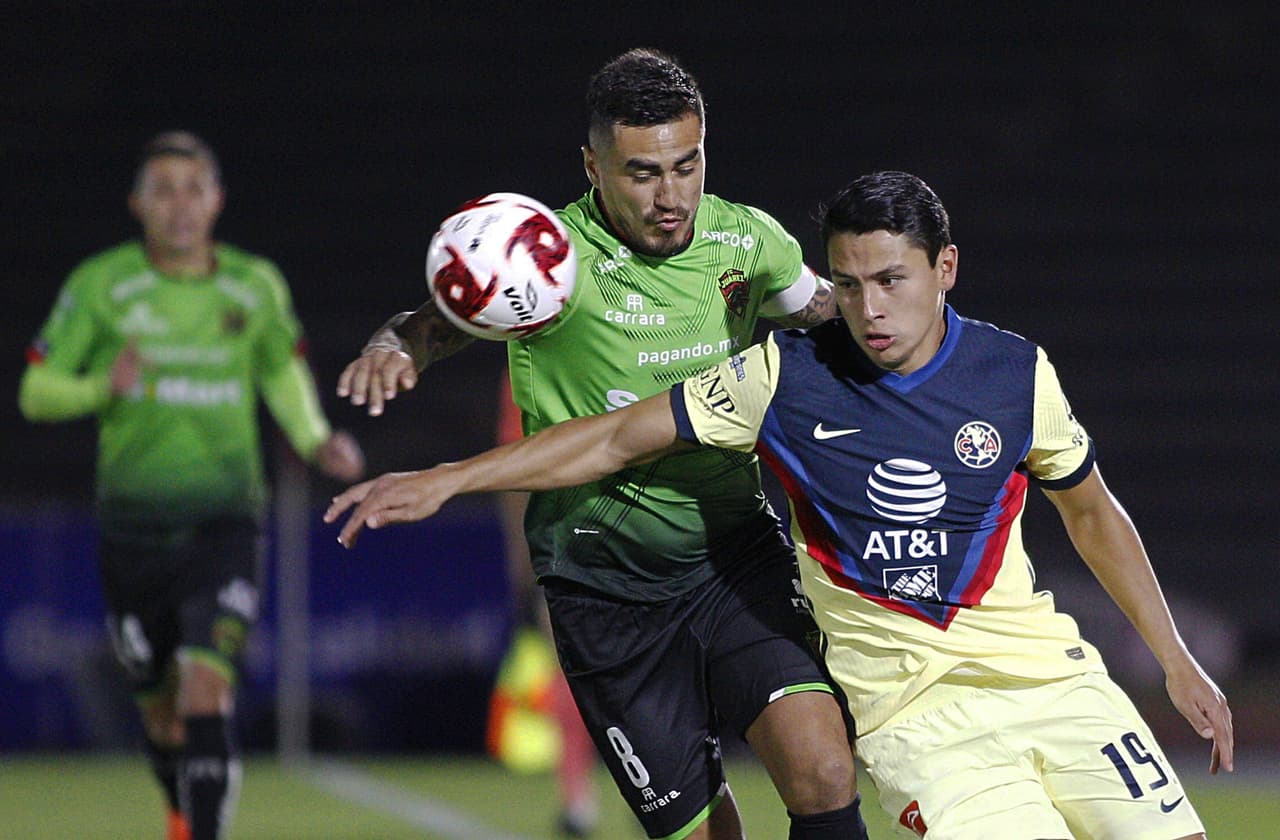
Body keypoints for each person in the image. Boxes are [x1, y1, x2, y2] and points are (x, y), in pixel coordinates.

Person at [327, 170, 1235, 840]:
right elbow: (615, 437)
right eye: (847, 283)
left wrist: (1176, 661)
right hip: (920, 722)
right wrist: (448, 477)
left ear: (945, 268)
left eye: (892, 280)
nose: (868, 307)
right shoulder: (781, 380)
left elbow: (1092, 513)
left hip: (1055, 685)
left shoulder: (1014, 372)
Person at [336, 49, 868, 840]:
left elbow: (833, 320)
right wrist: (393, 346)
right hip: (602, 587)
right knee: (700, 828)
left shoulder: (745, 242)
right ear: (593, 165)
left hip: (734, 556)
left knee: (822, 769)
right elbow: (432, 324)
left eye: (686, 166)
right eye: (643, 173)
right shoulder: (548, 259)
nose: (671, 195)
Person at [19, 130, 366, 840]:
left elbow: (280, 371)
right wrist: (97, 386)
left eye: (193, 188)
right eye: (164, 190)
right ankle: (182, 811)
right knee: (162, 711)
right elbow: (35, 390)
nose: (180, 205)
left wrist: (313, 438)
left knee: (207, 688)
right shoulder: (101, 285)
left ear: (216, 201)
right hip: (132, 530)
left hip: (225, 523)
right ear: (138, 205)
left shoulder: (254, 285)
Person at [488, 374, 601, 837]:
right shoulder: (529, 346)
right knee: (571, 664)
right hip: (564, 535)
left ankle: (653, 785)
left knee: (642, 668)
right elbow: (515, 461)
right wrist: (524, 557)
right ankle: (577, 796)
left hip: (634, 527)